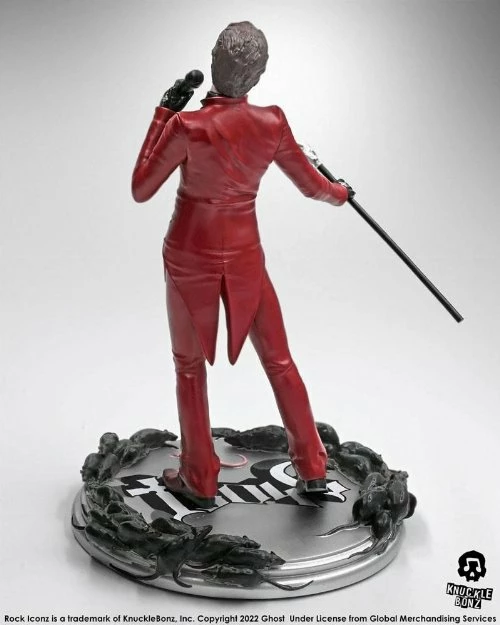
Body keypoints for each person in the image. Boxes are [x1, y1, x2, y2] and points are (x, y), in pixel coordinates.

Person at [132, 21, 349, 508]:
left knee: (189, 367)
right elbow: (313, 185)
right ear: (260, 73)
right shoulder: (272, 122)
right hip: (245, 254)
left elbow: (141, 188)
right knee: (279, 360)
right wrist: (341, 193)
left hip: (189, 254)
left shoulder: (187, 126)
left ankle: (199, 475)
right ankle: (312, 465)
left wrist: (163, 113)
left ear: (214, 62)